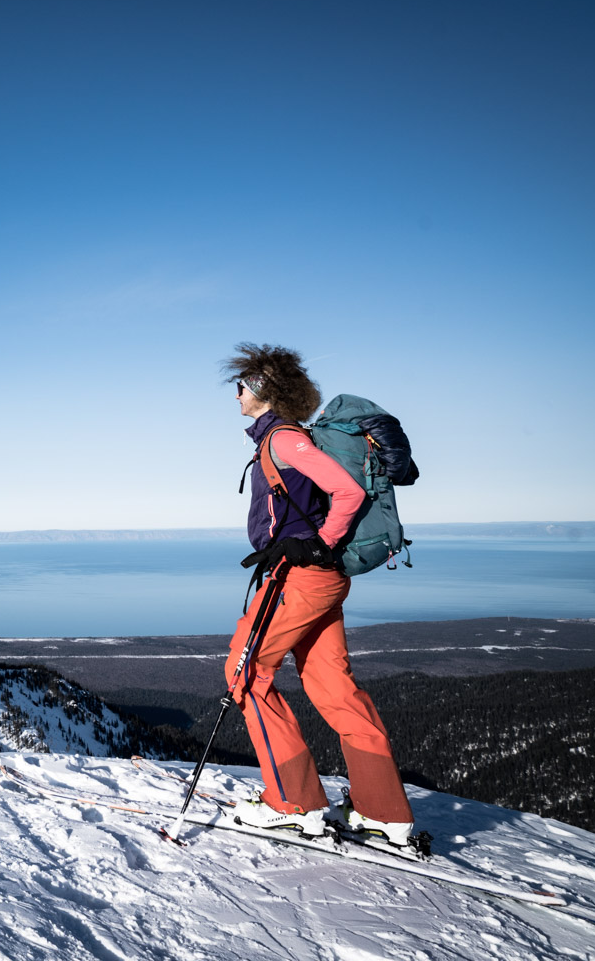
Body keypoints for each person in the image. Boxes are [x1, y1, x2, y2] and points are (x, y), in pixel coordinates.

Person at [221, 343, 416, 849]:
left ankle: (292, 803)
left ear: (262, 392)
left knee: (246, 673)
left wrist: (320, 543)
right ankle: (383, 811)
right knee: (332, 687)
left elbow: (348, 492)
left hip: (301, 578)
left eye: (240, 386)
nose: (235, 394)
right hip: (317, 580)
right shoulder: (284, 439)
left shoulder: (284, 440)